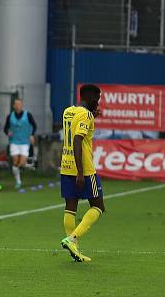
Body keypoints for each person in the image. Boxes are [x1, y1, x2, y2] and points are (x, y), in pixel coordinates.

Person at [60, 84, 104, 263]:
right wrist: (80, 172)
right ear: (93, 98)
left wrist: (92, 116)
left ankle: (73, 250)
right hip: (83, 168)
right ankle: (72, 239)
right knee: (98, 206)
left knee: (71, 206)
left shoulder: (68, 111)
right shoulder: (86, 115)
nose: (99, 103)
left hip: (66, 164)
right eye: (98, 99)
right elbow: (78, 140)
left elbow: (75, 127)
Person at [4, 98, 37, 189]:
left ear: (22, 105)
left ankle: (27, 165)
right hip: (14, 142)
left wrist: (32, 135)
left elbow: (34, 125)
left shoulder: (27, 115)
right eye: (16, 104)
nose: (18, 106)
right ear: (14, 106)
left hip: (24, 142)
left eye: (19, 104)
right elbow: (5, 128)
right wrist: (8, 133)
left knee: (21, 163)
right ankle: (18, 181)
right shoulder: (10, 116)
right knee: (15, 162)